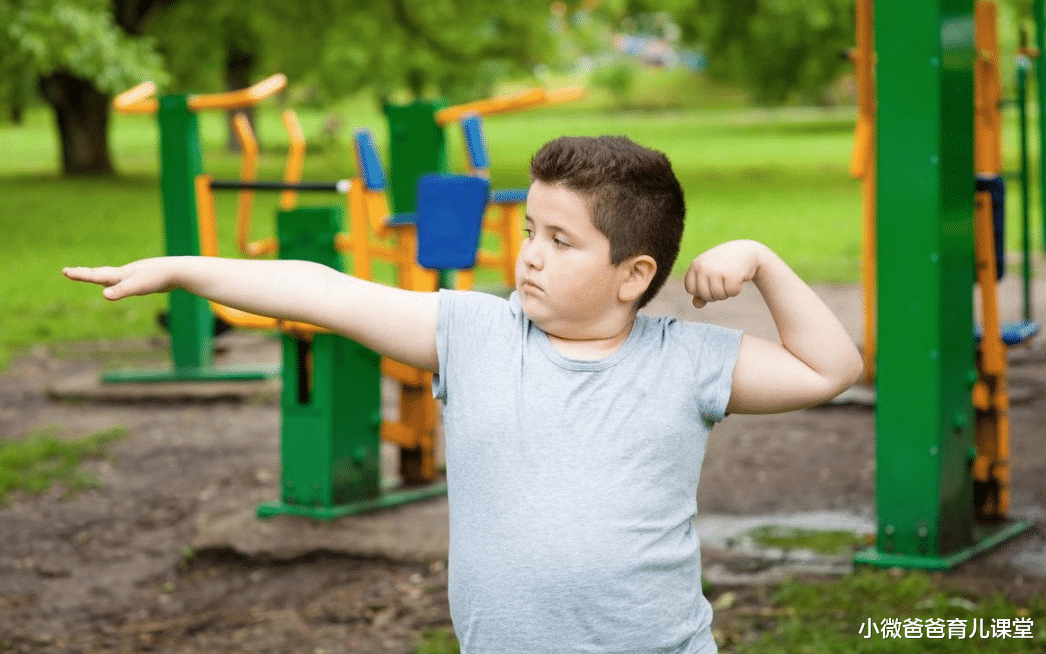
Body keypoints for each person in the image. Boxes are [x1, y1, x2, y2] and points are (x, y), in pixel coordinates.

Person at [64, 135, 863, 653]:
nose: (532, 259)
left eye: (561, 240)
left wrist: (762, 258)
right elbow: (321, 288)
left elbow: (830, 368)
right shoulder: (475, 334)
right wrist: (180, 270)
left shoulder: (686, 361)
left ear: (634, 274)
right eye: (528, 234)